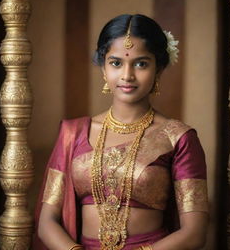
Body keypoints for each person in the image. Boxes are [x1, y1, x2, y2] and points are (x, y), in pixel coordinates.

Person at [33, 14, 209, 250]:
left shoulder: (178, 138)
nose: (127, 75)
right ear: (103, 67)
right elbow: (47, 222)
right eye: (116, 63)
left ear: (159, 67)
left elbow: (194, 233)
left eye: (141, 63)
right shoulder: (72, 134)